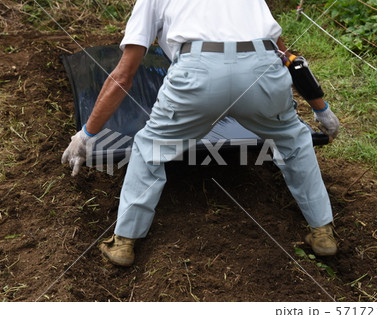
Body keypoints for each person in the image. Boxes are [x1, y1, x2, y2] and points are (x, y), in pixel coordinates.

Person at [61, 0, 340, 267]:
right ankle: (322, 232)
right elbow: (286, 55)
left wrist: (88, 133)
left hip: (198, 72)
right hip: (262, 69)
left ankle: (123, 241)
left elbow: (124, 73)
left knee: (149, 148)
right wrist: (321, 109)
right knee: (293, 140)